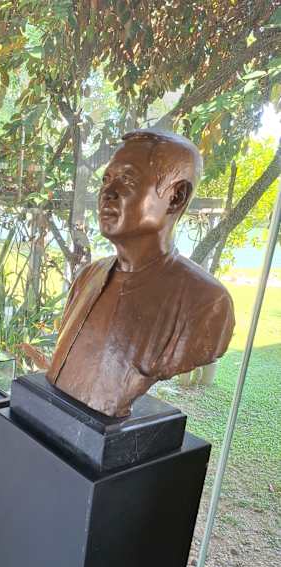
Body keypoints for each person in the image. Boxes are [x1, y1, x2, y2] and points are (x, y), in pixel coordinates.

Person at [37, 129, 234, 417]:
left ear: (176, 197)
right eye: (106, 180)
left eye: (128, 180)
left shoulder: (206, 303)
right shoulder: (89, 276)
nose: (107, 193)